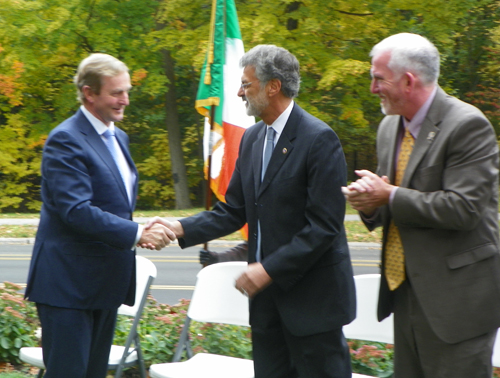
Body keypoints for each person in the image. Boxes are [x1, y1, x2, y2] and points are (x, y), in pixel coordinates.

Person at [146, 44, 356, 378]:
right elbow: (233, 210)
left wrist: (267, 269)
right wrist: (178, 226)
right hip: (266, 306)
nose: (238, 92)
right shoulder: (252, 139)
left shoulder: (319, 139)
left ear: (273, 86)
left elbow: (324, 227)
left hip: (312, 306)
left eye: (246, 84)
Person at [342, 33, 500, 378]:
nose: (372, 88)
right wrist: (368, 202)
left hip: (456, 304)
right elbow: (391, 202)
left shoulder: (467, 125)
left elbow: (463, 209)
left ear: (408, 81)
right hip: (406, 293)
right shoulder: (388, 128)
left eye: (378, 78)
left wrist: (389, 195)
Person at [24, 53, 175, 378]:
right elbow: (75, 210)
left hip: (104, 282)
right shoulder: (65, 139)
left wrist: (139, 227)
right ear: (89, 93)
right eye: (116, 92)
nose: (125, 100)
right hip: (67, 285)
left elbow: (113, 204)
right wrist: (136, 233)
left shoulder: (118, 137)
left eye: (127, 91)